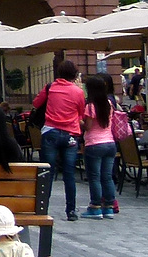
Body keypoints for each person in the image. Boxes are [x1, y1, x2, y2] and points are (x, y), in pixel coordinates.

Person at [33, 60, 86, 221]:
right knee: (69, 174)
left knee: (47, 171)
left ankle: (42, 208)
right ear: (74, 75)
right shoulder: (78, 92)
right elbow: (81, 113)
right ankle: (71, 210)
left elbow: (36, 103)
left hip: (51, 132)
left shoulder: (50, 88)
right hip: (70, 134)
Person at [80, 75, 117, 220]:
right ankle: (109, 206)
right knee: (107, 176)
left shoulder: (90, 106)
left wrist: (79, 122)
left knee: (94, 177)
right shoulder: (109, 103)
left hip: (94, 144)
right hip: (110, 143)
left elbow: (88, 127)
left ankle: (95, 207)